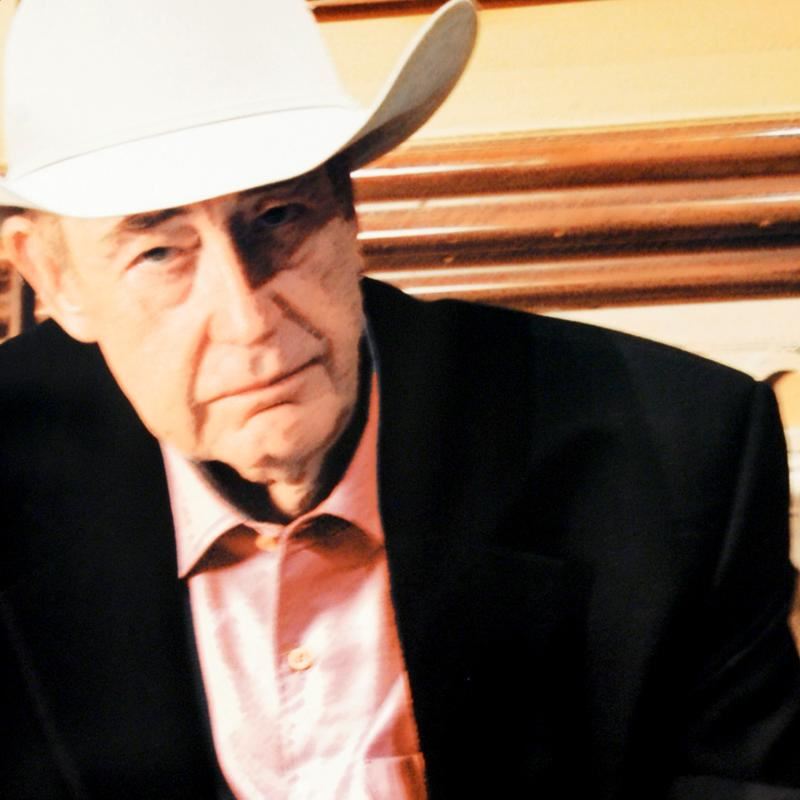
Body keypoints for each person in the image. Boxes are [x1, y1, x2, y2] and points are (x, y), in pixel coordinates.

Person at [0, 1, 798, 798]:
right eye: (158, 252)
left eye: (278, 216)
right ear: (56, 279)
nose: (248, 323)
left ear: (347, 209)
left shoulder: (681, 456)